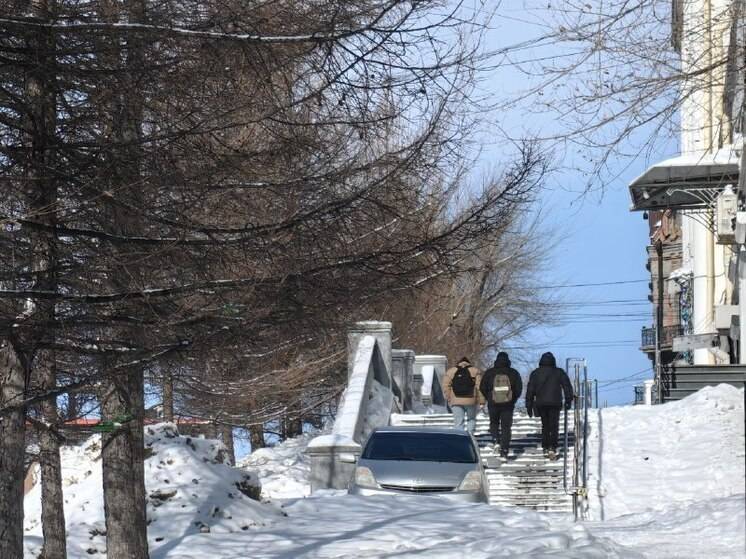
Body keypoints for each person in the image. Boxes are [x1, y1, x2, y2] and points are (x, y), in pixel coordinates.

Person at [525, 352, 573, 460]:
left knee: (545, 425)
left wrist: (528, 404)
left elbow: (530, 389)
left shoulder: (536, 373)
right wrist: (568, 400)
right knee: (554, 425)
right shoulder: (559, 372)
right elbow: (566, 386)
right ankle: (553, 447)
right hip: (555, 403)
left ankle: (545, 447)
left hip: (541, 403)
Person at [479, 351, 522, 460]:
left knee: (494, 422)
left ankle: (496, 440)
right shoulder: (513, 373)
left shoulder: (490, 372)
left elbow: (482, 387)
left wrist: (489, 397)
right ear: (508, 361)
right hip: (508, 404)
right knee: (506, 427)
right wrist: (513, 399)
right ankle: (505, 450)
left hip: (493, 403)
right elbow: (519, 388)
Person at [443, 357, 483, 433]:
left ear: (458, 362)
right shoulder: (475, 371)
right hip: (471, 400)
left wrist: (449, 398)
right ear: (469, 363)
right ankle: (470, 436)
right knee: (471, 419)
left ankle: (459, 439)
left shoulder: (451, 371)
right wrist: (481, 400)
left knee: (458, 421)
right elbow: (479, 387)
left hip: (456, 401)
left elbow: (445, 386)